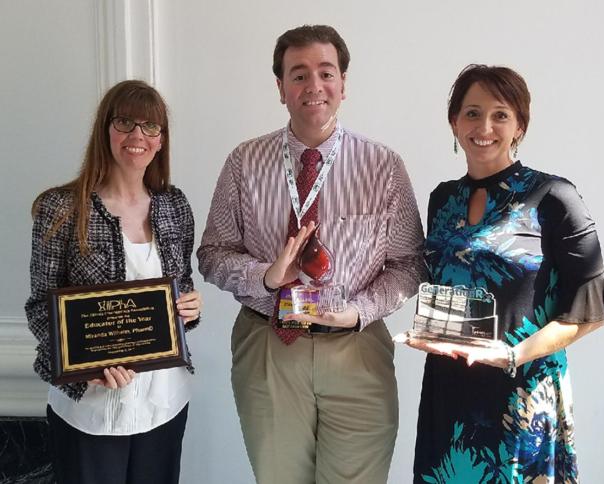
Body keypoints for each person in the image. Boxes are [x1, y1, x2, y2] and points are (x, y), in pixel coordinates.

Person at [197, 24, 424, 484]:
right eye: (298, 75)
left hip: (356, 351)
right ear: (280, 88)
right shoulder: (245, 162)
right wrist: (265, 275)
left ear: (343, 84)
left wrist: (356, 311)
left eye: (326, 72)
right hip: (268, 347)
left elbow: (410, 264)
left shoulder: (383, 166)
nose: (313, 86)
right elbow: (212, 254)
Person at [405, 64, 604, 482]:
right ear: (454, 122)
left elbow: (591, 311)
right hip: (449, 391)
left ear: (520, 125)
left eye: (500, 114)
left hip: (521, 395)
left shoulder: (554, 196)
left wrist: (511, 355)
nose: (484, 126)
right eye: (472, 113)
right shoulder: (442, 199)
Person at [25, 80, 202, 484]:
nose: (137, 135)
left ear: (161, 141)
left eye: (150, 126)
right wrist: (83, 366)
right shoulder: (62, 208)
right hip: (91, 407)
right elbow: (40, 309)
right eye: (125, 122)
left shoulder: (174, 206)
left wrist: (189, 309)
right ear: (106, 130)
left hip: (164, 402)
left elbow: (180, 294)